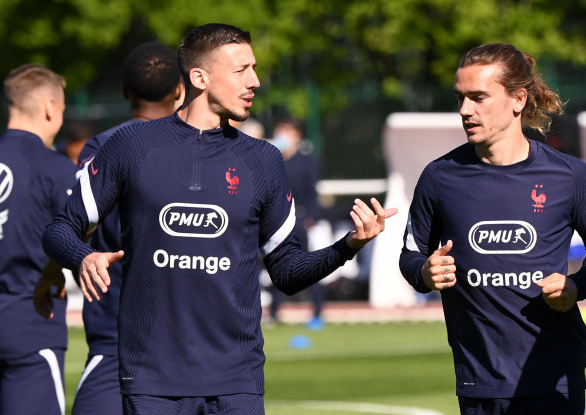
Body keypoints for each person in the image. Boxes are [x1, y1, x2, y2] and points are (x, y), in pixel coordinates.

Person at [43, 23, 394, 414]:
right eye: (242, 70)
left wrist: (349, 245)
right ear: (199, 77)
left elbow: (288, 272)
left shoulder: (263, 161)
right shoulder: (131, 147)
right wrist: (82, 256)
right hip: (151, 380)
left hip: (236, 382)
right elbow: (60, 228)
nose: (255, 81)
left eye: (255, 69)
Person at [398, 43, 586, 415]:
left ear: (517, 100)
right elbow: (410, 254)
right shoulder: (438, 177)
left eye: (479, 97)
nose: (465, 110)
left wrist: (578, 286)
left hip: (552, 378)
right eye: (461, 98)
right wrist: (424, 272)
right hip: (478, 383)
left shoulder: (570, 176)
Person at [35, 41, 184, 415]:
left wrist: (53, 270)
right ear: (180, 89)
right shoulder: (205, 149)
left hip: (117, 336)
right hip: (195, 340)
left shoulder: (103, 145)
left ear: (124, 90)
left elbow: (79, 223)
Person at [0, 64, 76, 414]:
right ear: (49, 106)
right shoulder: (55, 168)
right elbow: (82, 228)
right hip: (30, 322)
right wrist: (53, 270)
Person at [268, 117, 325, 328]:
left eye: (286, 132)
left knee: (307, 265)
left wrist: (310, 218)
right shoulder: (273, 159)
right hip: (276, 220)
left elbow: (312, 192)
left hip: (299, 220)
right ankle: (274, 313)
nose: (281, 136)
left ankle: (318, 312)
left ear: (297, 135)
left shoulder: (307, 160)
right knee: (275, 264)